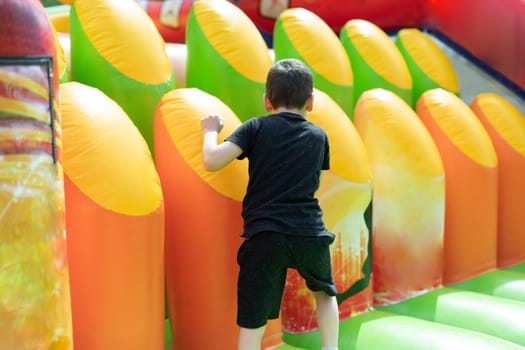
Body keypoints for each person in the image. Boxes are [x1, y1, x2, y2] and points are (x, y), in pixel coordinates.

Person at [200, 58, 339, 350]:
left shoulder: (256, 128)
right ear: (310, 102)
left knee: (253, 315)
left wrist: (210, 131)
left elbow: (212, 161)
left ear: (267, 101)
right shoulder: (319, 137)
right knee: (325, 293)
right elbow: (313, 181)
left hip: (265, 234)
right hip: (309, 232)